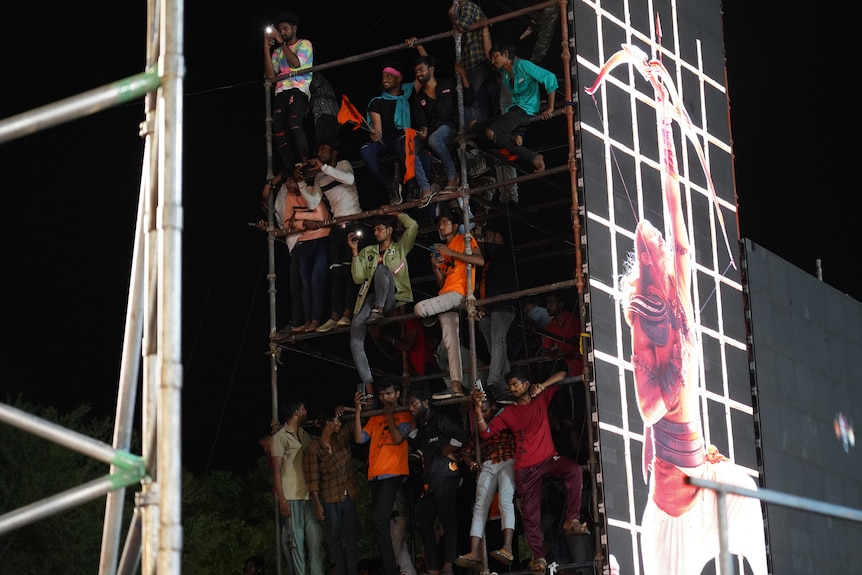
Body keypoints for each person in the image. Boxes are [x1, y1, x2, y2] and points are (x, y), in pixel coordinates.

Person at [474, 369, 589, 574]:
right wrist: (476, 410)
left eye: (516, 383)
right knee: (530, 514)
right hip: (525, 467)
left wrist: (543, 385)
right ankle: (539, 557)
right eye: (510, 385)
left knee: (574, 470)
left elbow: (562, 374)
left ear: (527, 384)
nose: (512, 388)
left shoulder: (540, 397)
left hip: (548, 458)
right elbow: (486, 432)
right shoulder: (508, 412)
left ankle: (572, 519)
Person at [413, 206, 483, 399]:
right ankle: (456, 385)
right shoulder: (443, 250)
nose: (441, 227)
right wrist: (435, 267)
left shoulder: (464, 240)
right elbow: (442, 282)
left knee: (419, 308)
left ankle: (430, 316)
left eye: (445, 223)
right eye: (440, 225)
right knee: (450, 342)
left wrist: (451, 253)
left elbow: (479, 260)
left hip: (460, 292)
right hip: (447, 293)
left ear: (455, 225)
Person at [296, 138, 363, 332]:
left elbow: (349, 179)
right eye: (318, 150)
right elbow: (312, 203)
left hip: (353, 221)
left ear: (334, 152)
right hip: (336, 226)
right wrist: (301, 182)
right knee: (336, 272)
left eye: (324, 149)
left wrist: (324, 167)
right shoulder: (319, 177)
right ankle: (334, 315)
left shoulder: (343, 165)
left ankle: (348, 313)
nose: (320, 151)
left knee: (349, 271)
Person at [349, 212, 418, 396]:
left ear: (389, 230)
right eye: (375, 229)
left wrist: (396, 213)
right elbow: (358, 278)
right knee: (355, 338)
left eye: (380, 229)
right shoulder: (368, 251)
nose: (376, 232)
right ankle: (369, 387)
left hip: (390, 300)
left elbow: (413, 226)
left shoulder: (400, 248)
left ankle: (378, 310)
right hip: (369, 300)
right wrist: (355, 252)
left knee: (382, 270)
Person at [353, 375, 414, 575]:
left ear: (397, 394)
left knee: (380, 519)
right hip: (376, 474)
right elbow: (360, 438)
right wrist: (358, 412)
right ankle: (391, 566)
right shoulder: (376, 415)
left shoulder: (404, 414)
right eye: (381, 394)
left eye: (388, 394)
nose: (384, 398)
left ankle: (389, 569)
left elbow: (397, 438)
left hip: (393, 471)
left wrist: (389, 415)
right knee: (381, 521)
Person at [406, 385, 470, 575]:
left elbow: (462, 435)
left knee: (447, 520)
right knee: (423, 521)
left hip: (446, 474)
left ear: (426, 403)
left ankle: (448, 566)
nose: (411, 408)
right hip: (433, 480)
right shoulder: (424, 425)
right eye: (409, 405)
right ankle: (433, 567)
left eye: (414, 404)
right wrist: (412, 418)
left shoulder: (439, 420)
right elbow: (413, 441)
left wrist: (446, 451)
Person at [456, 390, 517, 569]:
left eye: (485, 410)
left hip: (508, 460)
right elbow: (465, 451)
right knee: (480, 505)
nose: (481, 414)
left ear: (494, 407)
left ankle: (507, 548)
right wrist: (471, 463)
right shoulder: (478, 432)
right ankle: (474, 553)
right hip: (489, 463)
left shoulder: (504, 421)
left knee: (505, 501)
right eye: (478, 411)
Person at [407, 41, 474, 204]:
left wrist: (463, 74)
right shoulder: (419, 97)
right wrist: (422, 130)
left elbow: (469, 97)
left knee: (434, 139)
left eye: (421, 70)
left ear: (431, 69)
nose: (419, 74)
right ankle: (425, 187)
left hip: (451, 126)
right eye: (416, 72)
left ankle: (452, 176)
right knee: (409, 146)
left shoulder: (448, 83)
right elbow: (421, 121)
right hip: (432, 130)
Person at [475, 41, 557, 172]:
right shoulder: (505, 73)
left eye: (495, 56)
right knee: (475, 127)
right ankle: (511, 138)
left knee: (493, 132)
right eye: (491, 58)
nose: (493, 60)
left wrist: (550, 107)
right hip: (513, 111)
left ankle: (533, 157)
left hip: (526, 110)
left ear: (506, 54)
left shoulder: (523, 65)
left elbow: (550, 78)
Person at [271, 399, 325, 575]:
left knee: (315, 543)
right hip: (291, 496)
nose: (306, 411)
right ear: (296, 413)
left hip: (308, 495)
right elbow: (276, 472)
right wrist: (282, 500)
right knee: (297, 545)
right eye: (303, 409)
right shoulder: (279, 438)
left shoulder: (304, 435)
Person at [304, 406, 360, 575]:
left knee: (350, 539)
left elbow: (361, 417)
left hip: (348, 492)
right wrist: (317, 504)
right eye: (336, 420)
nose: (339, 423)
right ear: (328, 423)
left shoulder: (341, 437)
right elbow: (312, 478)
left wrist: (350, 408)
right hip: (329, 497)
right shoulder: (314, 449)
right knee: (335, 539)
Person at [360, 61, 416, 206]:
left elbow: (426, 70)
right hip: (387, 140)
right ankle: (390, 185)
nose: (384, 79)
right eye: (383, 76)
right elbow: (378, 130)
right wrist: (375, 134)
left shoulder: (407, 91)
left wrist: (419, 46)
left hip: (402, 138)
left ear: (399, 78)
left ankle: (411, 183)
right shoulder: (377, 102)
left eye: (389, 76)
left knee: (403, 141)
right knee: (366, 150)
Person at [264, 12, 313, 176]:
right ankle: (291, 169)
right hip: (281, 91)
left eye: (285, 29)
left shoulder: (305, 44)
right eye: (279, 30)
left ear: (294, 28)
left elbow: (296, 63)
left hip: (298, 89)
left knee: (294, 123)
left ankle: (306, 162)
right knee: (278, 132)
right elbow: (271, 76)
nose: (282, 32)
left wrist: (281, 42)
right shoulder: (277, 52)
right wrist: (266, 47)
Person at [286, 166, 332, 333]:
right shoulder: (289, 198)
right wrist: (303, 223)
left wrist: (297, 216)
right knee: (305, 284)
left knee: (316, 280)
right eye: (287, 181)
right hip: (303, 242)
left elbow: (322, 217)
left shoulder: (312, 190)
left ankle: (315, 319)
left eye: (291, 180)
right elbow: (286, 223)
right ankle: (307, 321)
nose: (288, 183)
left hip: (321, 239)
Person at [476, 222, 517, 400]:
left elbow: (491, 249)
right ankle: (507, 379)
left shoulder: (505, 253)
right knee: (494, 343)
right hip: (490, 306)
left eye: (489, 236)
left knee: (498, 341)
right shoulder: (489, 263)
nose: (486, 240)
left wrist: (476, 240)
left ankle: (493, 380)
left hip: (504, 304)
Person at [448, 0, 498, 126]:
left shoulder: (468, 6)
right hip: (470, 62)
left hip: (476, 60)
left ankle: (480, 131)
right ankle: (478, 131)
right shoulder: (462, 9)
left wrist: (451, 15)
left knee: (477, 100)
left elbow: (461, 26)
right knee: (472, 100)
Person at [541, 291, 583, 378]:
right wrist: (555, 354)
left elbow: (583, 341)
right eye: (547, 304)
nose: (548, 307)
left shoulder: (573, 319)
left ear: (561, 304)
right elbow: (546, 349)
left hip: (585, 365)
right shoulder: (550, 326)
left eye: (551, 303)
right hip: (571, 370)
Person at [308, 71, 340, 150]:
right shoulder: (313, 75)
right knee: (327, 141)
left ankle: (323, 159)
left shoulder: (310, 75)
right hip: (327, 111)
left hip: (325, 111)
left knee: (325, 142)